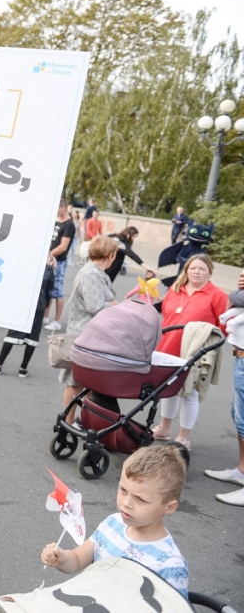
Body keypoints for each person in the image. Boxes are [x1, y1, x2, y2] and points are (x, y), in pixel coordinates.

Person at [41, 445, 189, 597]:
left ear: (169, 507)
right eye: (123, 490)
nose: (126, 503)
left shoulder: (170, 565)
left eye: (140, 499)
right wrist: (63, 559)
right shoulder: (112, 524)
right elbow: (78, 558)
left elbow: (173, 606)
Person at [150, 254, 229, 451]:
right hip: (168, 347)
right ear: (186, 270)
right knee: (169, 391)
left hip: (195, 352)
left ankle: (184, 437)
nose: (196, 272)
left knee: (189, 395)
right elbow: (166, 315)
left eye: (202, 269)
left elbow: (223, 327)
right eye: (193, 268)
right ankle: (164, 428)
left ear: (209, 272)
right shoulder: (175, 289)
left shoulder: (217, 296)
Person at [57, 236, 119, 425]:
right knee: (76, 383)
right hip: (85, 336)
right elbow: (95, 306)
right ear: (111, 255)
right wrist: (118, 306)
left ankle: (78, 422)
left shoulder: (93, 271)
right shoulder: (92, 274)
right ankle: (67, 424)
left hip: (88, 335)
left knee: (86, 384)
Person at [205, 269, 244, 507]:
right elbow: (236, 298)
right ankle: (241, 470)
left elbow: (237, 298)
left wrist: (237, 293)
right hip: (240, 354)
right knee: (238, 416)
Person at [0, 259, 55, 377]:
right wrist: (46, 305)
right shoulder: (49, 269)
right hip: (39, 305)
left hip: (23, 303)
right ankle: (23, 368)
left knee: (12, 333)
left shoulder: (26, 265)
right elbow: (50, 291)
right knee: (32, 337)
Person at [44, 200, 76, 331]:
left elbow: (63, 246)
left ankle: (57, 321)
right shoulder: (57, 221)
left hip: (59, 261)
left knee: (57, 291)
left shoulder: (69, 225)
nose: (56, 211)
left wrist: (50, 254)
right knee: (48, 289)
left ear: (64, 208)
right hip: (50, 259)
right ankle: (45, 316)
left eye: (58, 208)